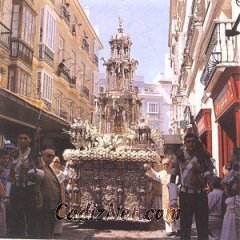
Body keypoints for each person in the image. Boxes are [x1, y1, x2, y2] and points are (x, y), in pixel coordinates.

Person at [168, 132, 214, 240]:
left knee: (202, 226)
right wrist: (173, 199)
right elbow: (172, 178)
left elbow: (209, 172)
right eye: (188, 141)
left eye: (193, 141)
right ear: (184, 143)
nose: (190, 143)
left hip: (200, 194)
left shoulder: (203, 156)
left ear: (196, 142)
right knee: (185, 227)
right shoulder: (179, 156)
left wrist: (205, 178)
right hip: (185, 195)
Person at [8, 131, 39, 238]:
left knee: (31, 218)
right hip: (16, 189)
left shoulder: (34, 154)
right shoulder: (14, 154)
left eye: (25, 138)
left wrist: (35, 173)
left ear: (29, 140)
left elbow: (42, 173)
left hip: (29, 188)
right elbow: (11, 174)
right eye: (20, 138)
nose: (22, 140)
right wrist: (7, 194)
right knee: (16, 217)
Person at [144, 157, 180, 237]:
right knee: (167, 211)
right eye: (164, 164)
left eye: (167, 164)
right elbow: (155, 175)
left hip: (176, 196)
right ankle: (170, 230)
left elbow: (180, 183)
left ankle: (178, 229)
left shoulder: (175, 173)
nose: (165, 166)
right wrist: (149, 168)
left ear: (171, 164)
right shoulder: (162, 173)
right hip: (166, 196)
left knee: (176, 212)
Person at [38, 146, 63, 239]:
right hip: (45, 204)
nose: (51, 158)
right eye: (48, 156)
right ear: (42, 156)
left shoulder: (50, 169)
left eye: (52, 156)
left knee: (50, 229)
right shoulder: (40, 168)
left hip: (53, 205)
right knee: (44, 229)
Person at [50, 156, 66, 237]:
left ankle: (57, 232)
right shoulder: (47, 171)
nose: (56, 163)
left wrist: (63, 201)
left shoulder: (61, 173)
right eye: (54, 161)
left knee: (58, 214)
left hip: (58, 196)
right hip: (50, 196)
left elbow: (62, 188)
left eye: (58, 162)